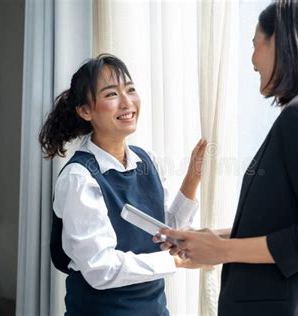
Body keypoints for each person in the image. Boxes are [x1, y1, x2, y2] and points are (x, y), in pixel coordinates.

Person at [157, 1, 298, 315]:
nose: (252, 60)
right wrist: (210, 239)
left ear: (278, 41)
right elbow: (291, 223)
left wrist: (223, 249)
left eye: (254, 44)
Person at [39, 54, 207, 316]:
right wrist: (174, 261)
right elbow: (100, 269)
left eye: (130, 89)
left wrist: (191, 181)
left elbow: (163, 233)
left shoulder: (146, 160)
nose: (127, 102)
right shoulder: (79, 178)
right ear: (85, 111)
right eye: (111, 94)